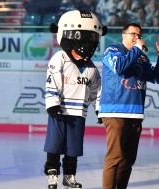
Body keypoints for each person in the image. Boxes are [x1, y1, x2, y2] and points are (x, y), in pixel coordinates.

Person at [98, 23, 159, 189]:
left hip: (136, 113)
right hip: (115, 111)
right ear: (123, 36)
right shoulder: (113, 50)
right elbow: (119, 67)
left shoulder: (141, 57)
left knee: (128, 159)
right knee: (115, 156)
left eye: (139, 35)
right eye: (133, 34)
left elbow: (155, 77)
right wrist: (137, 49)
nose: (136, 37)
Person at [43, 10, 107, 189]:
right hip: (60, 111)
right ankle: (52, 175)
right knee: (54, 144)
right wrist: (52, 103)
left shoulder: (92, 68)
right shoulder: (60, 58)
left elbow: (97, 91)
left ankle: (69, 175)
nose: (86, 45)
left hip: (79, 113)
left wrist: (99, 109)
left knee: (74, 147)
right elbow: (52, 82)